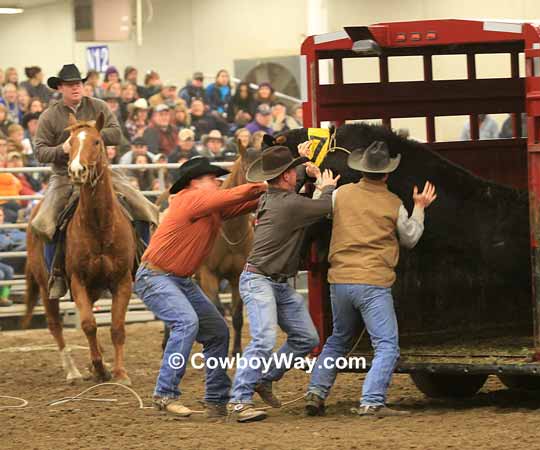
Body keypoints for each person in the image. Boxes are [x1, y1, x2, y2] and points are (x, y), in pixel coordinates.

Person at [304, 141, 436, 417]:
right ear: (387, 174)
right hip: (373, 282)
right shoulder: (393, 204)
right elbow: (410, 238)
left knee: (337, 340)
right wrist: (420, 207)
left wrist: (321, 186)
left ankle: (316, 393)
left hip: (340, 279)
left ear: (361, 170)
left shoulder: (341, 194)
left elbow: (319, 209)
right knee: (387, 345)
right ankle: (372, 400)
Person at [134, 156, 266, 417]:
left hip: (176, 279)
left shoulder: (208, 206)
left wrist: (282, 189)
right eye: (210, 177)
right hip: (155, 277)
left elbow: (249, 202)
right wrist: (265, 184)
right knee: (186, 323)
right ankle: (165, 393)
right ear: (194, 182)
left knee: (217, 332)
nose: (217, 180)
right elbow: (243, 194)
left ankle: (216, 398)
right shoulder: (189, 198)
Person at [228, 144, 339, 422]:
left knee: (306, 338)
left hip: (265, 279)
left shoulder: (273, 197)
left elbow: (297, 183)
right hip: (263, 280)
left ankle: (264, 379)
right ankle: (239, 401)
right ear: (286, 176)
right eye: (292, 171)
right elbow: (326, 205)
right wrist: (325, 185)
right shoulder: (290, 204)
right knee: (265, 339)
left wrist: (307, 166)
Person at [32, 64, 159, 300]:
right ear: (60, 88)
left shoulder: (98, 106)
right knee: (44, 222)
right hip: (65, 175)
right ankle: (56, 275)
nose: (76, 88)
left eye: (78, 83)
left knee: (145, 208)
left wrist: (88, 134)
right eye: (70, 85)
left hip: (101, 173)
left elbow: (116, 134)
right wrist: (64, 148)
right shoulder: (49, 115)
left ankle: (144, 265)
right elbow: (40, 152)